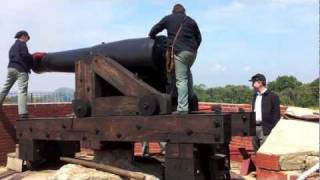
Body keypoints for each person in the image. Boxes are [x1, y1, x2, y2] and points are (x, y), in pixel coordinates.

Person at [149, 4, 202, 114]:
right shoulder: (191, 21)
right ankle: (190, 101)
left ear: (173, 12)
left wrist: (152, 35)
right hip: (192, 53)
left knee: (181, 79)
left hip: (179, 51)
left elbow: (156, 28)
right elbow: (199, 38)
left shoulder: (169, 18)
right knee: (187, 75)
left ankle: (182, 109)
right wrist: (193, 48)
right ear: (184, 12)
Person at [0, 31, 45, 119]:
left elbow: (14, 57)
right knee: (22, 90)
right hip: (21, 69)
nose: (27, 40)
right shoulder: (22, 44)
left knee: (6, 88)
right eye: (27, 38)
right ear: (23, 36)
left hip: (11, 68)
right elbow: (25, 56)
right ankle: (23, 112)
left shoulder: (12, 47)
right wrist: (34, 56)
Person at [250, 73, 281, 150]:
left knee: (263, 151)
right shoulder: (255, 96)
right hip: (254, 128)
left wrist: (274, 131)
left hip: (266, 129)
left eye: (253, 82)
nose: (252, 85)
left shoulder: (273, 96)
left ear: (260, 83)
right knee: (256, 151)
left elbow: (276, 115)